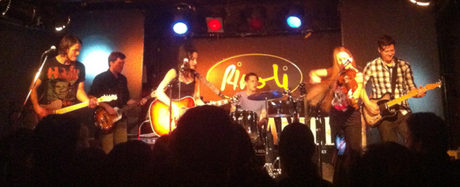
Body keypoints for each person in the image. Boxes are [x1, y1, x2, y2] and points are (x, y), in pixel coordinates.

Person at [309, 46, 364, 186]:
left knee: (354, 150)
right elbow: (314, 72)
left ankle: (356, 180)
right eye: (339, 59)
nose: (343, 61)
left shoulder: (357, 74)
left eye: (345, 58)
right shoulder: (335, 72)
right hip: (336, 115)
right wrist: (314, 75)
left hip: (351, 116)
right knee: (340, 150)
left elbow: (357, 94)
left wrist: (353, 97)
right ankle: (341, 180)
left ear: (350, 58)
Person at [362, 35, 426, 143]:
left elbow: (412, 88)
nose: (390, 53)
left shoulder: (404, 65)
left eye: (392, 50)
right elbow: (361, 87)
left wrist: (419, 93)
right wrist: (368, 104)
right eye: (386, 51)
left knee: (414, 142)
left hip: (403, 111)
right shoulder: (371, 66)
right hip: (383, 115)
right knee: (390, 149)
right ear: (379, 50)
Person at [89, 52, 147, 154]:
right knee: (108, 149)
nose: (122, 66)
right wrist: (106, 107)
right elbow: (91, 97)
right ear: (111, 63)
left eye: (123, 63)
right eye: (119, 63)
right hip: (106, 118)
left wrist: (138, 102)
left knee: (122, 149)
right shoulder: (100, 78)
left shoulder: (123, 79)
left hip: (120, 118)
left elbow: (126, 99)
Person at [30, 35, 97, 120]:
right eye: (75, 50)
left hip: (70, 113)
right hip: (50, 113)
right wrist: (37, 108)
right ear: (66, 49)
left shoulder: (80, 67)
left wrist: (88, 102)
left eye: (79, 50)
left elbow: (80, 90)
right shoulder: (48, 64)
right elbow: (33, 87)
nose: (78, 53)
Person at [154, 44, 204, 123]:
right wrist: (174, 107)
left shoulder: (196, 77)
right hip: (170, 114)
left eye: (196, 59)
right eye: (193, 59)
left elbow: (197, 99)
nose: (195, 62)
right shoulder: (174, 72)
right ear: (185, 59)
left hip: (186, 116)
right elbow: (158, 92)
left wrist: (206, 108)